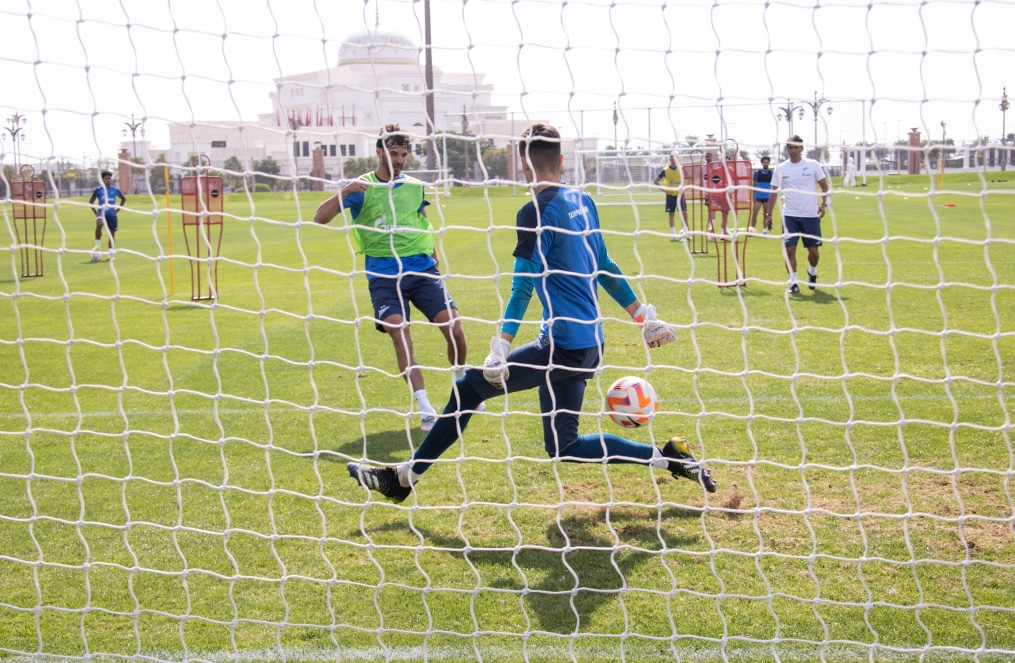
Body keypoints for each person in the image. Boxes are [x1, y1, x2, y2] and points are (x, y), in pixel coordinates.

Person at [348, 123, 716, 503]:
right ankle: (668, 457)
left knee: (467, 388)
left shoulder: (534, 211)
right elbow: (604, 263)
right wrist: (644, 316)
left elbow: (522, 286)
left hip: (562, 347)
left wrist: (501, 347)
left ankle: (403, 479)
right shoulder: (582, 200)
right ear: (560, 159)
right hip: (588, 344)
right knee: (563, 444)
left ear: (525, 164)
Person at [314, 124, 473, 431]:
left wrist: (433, 250)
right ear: (379, 152)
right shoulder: (361, 189)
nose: (399, 160)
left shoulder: (414, 186)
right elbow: (320, 218)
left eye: (403, 154)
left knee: (454, 328)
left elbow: (420, 217)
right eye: (394, 153)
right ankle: (426, 408)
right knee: (401, 334)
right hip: (383, 276)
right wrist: (345, 191)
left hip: (422, 270)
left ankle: (462, 386)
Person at [770, 135, 830, 294]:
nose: (793, 150)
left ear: (802, 148)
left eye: (796, 147)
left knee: (813, 252)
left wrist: (823, 205)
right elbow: (774, 191)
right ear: (787, 149)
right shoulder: (781, 168)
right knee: (790, 249)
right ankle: (793, 282)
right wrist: (768, 214)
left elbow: (824, 187)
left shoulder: (813, 165)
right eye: (790, 147)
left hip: (810, 215)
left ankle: (812, 271)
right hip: (790, 215)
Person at [88, 170, 126, 260]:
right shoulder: (98, 190)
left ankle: (110, 253)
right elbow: (91, 202)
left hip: (112, 215)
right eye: (106, 178)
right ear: (102, 179)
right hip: (101, 213)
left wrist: (117, 210)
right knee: (100, 224)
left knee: (111, 234)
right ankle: (97, 245)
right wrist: (96, 212)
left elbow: (124, 199)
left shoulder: (115, 190)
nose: (108, 180)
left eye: (109, 178)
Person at [652, 154, 689, 241]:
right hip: (671, 195)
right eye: (671, 158)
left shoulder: (682, 169)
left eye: (674, 158)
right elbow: (655, 181)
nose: (673, 160)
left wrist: (685, 187)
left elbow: (689, 178)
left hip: (680, 194)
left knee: (684, 213)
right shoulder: (665, 170)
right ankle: (674, 235)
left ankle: (686, 233)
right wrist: (664, 191)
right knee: (671, 214)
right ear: (669, 159)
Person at [702, 152, 731, 237]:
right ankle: (711, 230)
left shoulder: (716, 166)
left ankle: (725, 230)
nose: (708, 157)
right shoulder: (703, 167)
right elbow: (703, 179)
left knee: (725, 212)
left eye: (710, 156)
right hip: (708, 191)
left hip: (719, 191)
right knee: (711, 210)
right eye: (707, 156)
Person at [749, 156, 775, 234]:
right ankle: (752, 229)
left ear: (769, 163)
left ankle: (764, 230)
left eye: (767, 162)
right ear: (762, 163)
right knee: (754, 213)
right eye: (764, 162)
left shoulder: (771, 173)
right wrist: (753, 196)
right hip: (758, 197)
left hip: (767, 197)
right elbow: (754, 185)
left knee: (765, 214)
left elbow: (774, 185)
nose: (766, 164)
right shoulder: (757, 173)